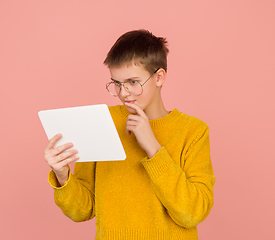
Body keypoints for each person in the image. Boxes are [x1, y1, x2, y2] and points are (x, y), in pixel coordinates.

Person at [44, 29, 215, 240]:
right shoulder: (102, 122)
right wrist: (63, 175)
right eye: (116, 83)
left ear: (159, 77)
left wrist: (152, 146)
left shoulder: (193, 131)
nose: (123, 93)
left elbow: (192, 213)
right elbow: (82, 210)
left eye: (133, 82)